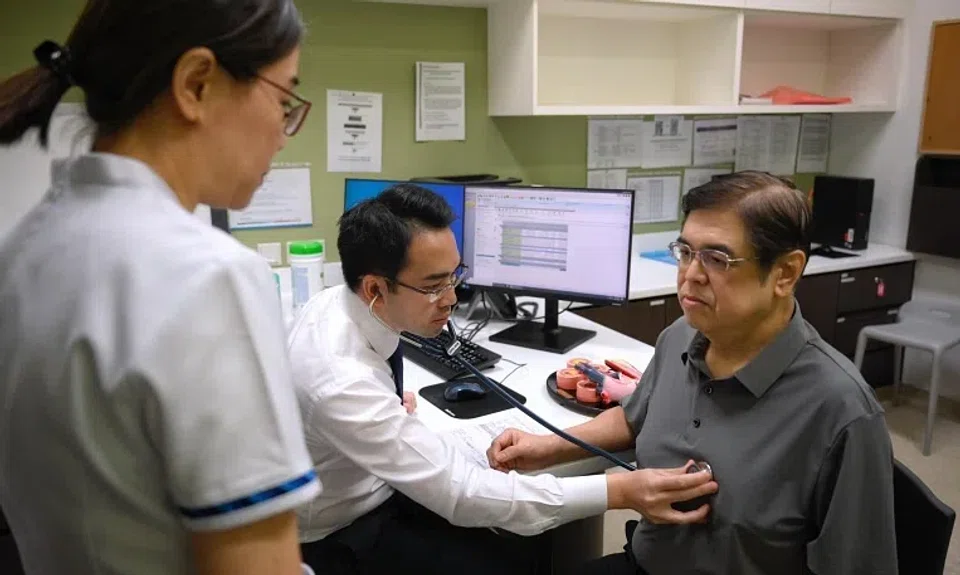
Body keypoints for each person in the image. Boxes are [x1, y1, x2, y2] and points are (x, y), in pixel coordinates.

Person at [0, 2, 321, 574]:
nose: (283, 132)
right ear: (196, 83)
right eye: (283, 99)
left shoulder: (24, 248)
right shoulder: (206, 276)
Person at [287, 183, 720, 575]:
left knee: (518, 551)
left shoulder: (346, 306)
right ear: (375, 289)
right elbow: (461, 494)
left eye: (456, 276)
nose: (452, 299)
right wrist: (619, 490)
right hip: (340, 534)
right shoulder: (341, 378)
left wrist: (386, 404)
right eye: (435, 286)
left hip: (373, 488)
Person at [487, 171, 899, 575]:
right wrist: (547, 447)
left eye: (717, 259)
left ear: (785, 273)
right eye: (685, 252)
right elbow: (636, 419)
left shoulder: (841, 411)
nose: (690, 275)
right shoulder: (681, 336)